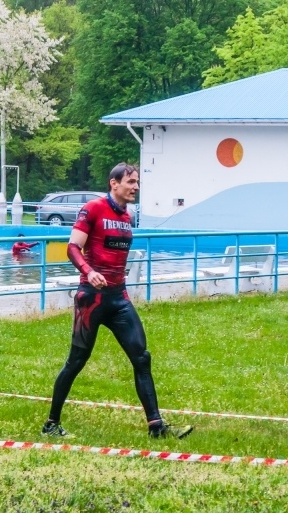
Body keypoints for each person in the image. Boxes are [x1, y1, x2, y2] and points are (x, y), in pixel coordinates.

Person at [41, 162, 193, 440]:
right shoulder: (93, 209)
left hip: (119, 299)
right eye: (131, 182)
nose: (136, 187)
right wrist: (89, 271)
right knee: (76, 361)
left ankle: (156, 426)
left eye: (137, 183)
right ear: (114, 183)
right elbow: (72, 248)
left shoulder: (127, 215)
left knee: (142, 357)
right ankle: (51, 423)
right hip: (91, 299)